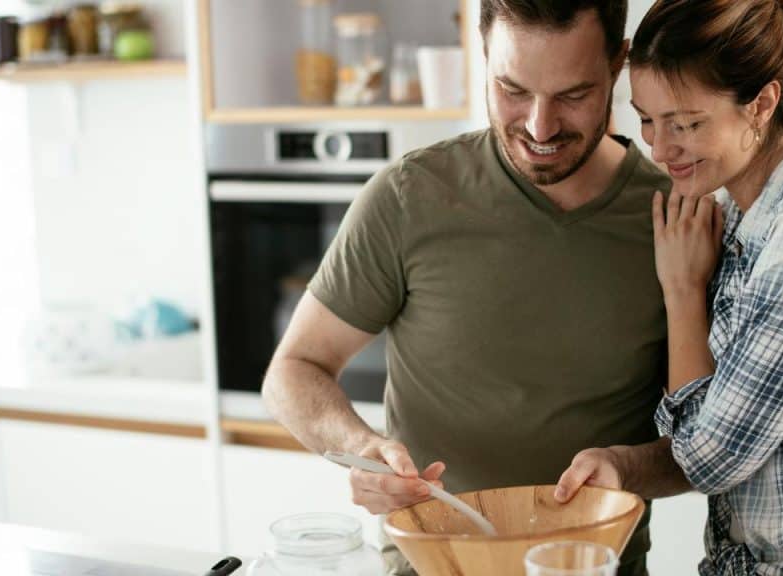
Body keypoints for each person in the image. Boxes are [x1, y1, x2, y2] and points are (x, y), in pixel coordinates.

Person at [262, 1, 692, 574]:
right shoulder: (408, 197)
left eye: (572, 95)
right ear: (483, 54)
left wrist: (627, 468)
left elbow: (703, 446)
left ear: (618, 67)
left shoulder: (679, 217)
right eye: (513, 90)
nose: (540, 126)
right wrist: (363, 450)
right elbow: (293, 369)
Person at [555, 0, 783, 574]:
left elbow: (711, 458)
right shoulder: (738, 212)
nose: (660, 147)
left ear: (762, 104)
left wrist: (682, 289)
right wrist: (621, 467)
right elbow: (712, 428)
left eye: (688, 123)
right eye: (647, 118)